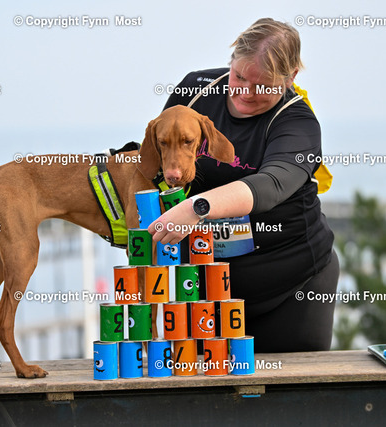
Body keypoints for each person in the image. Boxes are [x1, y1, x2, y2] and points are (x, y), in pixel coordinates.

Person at [147, 18, 339, 353]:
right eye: (239, 77)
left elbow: (269, 185)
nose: (245, 93)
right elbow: (158, 158)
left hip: (291, 287)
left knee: (289, 385)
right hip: (204, 290)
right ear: (232, 60)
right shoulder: (196, 91)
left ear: (291, 77)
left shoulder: (298, 123)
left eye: (263, 86)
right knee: (201, 382)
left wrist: (197, 207)